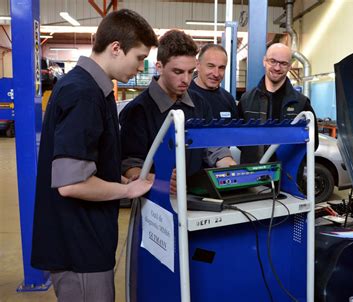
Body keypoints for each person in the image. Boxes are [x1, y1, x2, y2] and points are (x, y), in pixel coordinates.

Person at [31, 9, 157, 302]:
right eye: (139, 57)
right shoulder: (83, 94)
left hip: (85, 240)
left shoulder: (90, 89)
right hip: (80, 249)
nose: (142, 66)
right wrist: (128, 189)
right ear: (116, 48)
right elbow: (72, 183)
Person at [120, 30, 235, 191]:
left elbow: (213, 146)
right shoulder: (138, 110)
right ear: (159, 67)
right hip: (155, 204)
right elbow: (129, 163)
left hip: (196, 197)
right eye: (178, 72)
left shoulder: (200, 104)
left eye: (190, 72)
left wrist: (229, 166)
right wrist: (152, 179)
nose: (186, 80)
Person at [237, 43, 318, 164]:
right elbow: (238, 138)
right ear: (264, 61)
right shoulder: (246, 100)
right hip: (253, 175)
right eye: (272, 61)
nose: (277, 68)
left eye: (283, 63)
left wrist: (291, 163)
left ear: (289, 66)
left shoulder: (301, 103)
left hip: (287, 178)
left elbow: (312, 143)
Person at [189, 44, 238, 121]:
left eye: (221, 68)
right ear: (198, 65)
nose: (216, 74)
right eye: (211, 66)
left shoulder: (228, 99)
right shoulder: (184, 96)